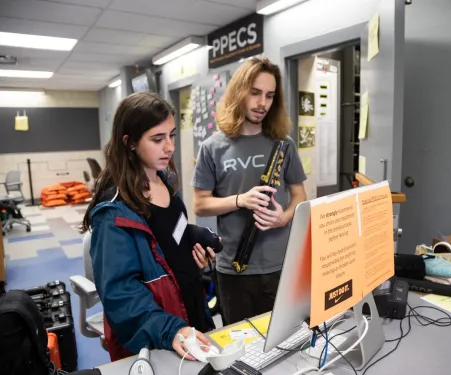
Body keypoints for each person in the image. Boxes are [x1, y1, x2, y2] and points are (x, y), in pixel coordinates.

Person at [80, 92, 216, 362]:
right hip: (155, 335)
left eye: (172, 135)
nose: (169, 147)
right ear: (129, 143)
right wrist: (170, 330)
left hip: (189, 314)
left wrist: (192, 244)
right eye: (158, 139)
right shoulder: (113, 212)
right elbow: (121, 296)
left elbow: (166, 238)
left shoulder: (164, 180)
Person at [191, 57, 307, 325]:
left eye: (269, 95)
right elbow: (200, 204)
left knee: (285, 339)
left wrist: (285, 217)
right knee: (241, 348)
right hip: (234, 268)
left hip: (282, 264)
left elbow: (299, 195)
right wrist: (240, 200)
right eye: (255, 93)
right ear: (239, 91)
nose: (262, 103)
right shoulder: (213, 147)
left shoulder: (283, 144)